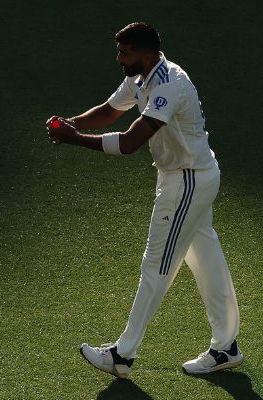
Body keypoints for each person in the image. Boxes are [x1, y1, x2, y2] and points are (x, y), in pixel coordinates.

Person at [47, 21, 242, 379]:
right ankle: (226, 346)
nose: (120, 59)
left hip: (186, 182)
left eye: (125, 52)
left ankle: (122, 355)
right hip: (190, 176)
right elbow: (109, 111)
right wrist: (69, 124)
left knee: (156, 266)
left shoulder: (169, 84)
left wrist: (75, 140)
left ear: (146, 53)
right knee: (206, 258)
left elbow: (128, 143)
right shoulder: (141, 77)